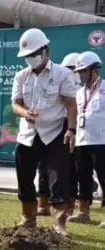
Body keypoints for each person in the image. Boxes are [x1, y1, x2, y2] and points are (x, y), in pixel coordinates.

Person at [11, 28, 77, 236]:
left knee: (58, 177)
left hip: (56, 132)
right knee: (24, 175)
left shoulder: (62, 74)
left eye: (33, 54)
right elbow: (15, 104)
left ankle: (59, 223)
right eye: (27, 56)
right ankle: (28, 219)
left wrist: (72, 130)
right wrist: (25, 113)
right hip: (28, 134)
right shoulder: (21, 76)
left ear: (45, 50)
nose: (30, 59)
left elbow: (71, 104)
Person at [36, 52, 80, 217]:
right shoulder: (56, 83)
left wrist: (73, 129)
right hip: (57, 131)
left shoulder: (83, 90)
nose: (73, 73)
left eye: (75, 70)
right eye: (70, 69)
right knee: (45, 168)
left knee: (69, 170)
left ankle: (69, 205)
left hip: (76, 134)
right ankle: (43, 202)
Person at [67, 51, 105, 224]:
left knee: (104, 176)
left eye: (83, 70)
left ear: (93, 70)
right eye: (79, 71)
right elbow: (76, 115)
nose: (80, 74)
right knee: (83, 176)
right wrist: (72, 132)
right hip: (82, 140)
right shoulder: (79, 92)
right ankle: (84, 212)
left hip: (102, 141)